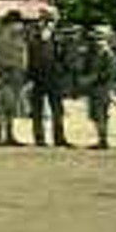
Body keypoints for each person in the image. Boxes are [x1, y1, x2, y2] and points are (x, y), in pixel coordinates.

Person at [26, 18, 70, 147]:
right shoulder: (33, 41)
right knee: (37, 111)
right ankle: (39, 138)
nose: (45, 27)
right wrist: (29, 77)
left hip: (54, 79)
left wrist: (62, 73)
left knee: (57, 110)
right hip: (38, 79)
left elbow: (64, 59)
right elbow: (29, 61)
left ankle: (59, 138)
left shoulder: (58, 41)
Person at [0, 11, 29, 147]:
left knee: (9, 106)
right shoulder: (10, 37)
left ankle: (7, 135)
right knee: (6, 105)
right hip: (10, 73)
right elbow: (12, 58)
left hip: (9, 73)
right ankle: (1, 136)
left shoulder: (5, 35)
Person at [85, 25, 116, 150]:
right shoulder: (94, 52)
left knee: (100, 115)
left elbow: (109, 72)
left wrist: (94, 78)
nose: (96, 41)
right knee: (95, 115)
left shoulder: (107, 53)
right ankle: (101, 138)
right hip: (95, 87)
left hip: (102, 87)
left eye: (99, 38)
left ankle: (103, 140)